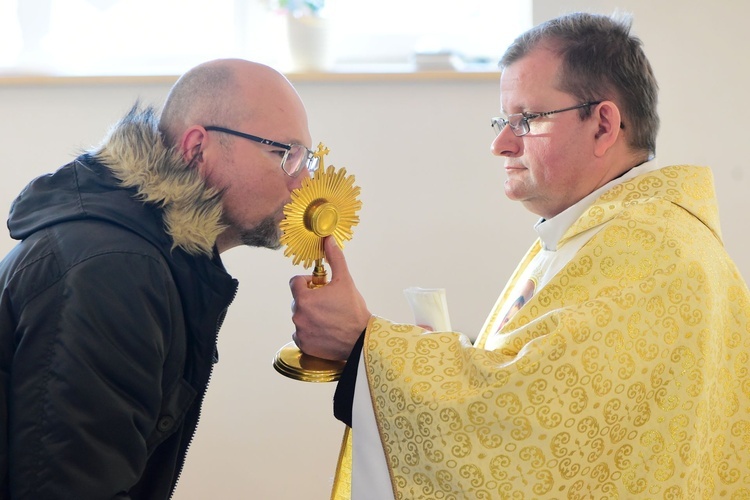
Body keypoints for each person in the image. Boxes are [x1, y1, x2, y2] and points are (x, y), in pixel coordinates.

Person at [289, 12, 750, 499]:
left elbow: (529, 428)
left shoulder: (649, 255)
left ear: (603, 124)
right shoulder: (601, 234)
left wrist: (365, 343)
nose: (501, 144)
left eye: (525, 120)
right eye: (502, 121)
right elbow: (540, 386)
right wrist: (443, 355)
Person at [0, 58, 317, 498]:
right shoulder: (113, 271)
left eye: (306, 159)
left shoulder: (152, 258)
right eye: (285, 154)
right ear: (196, 149)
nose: (302, 184)